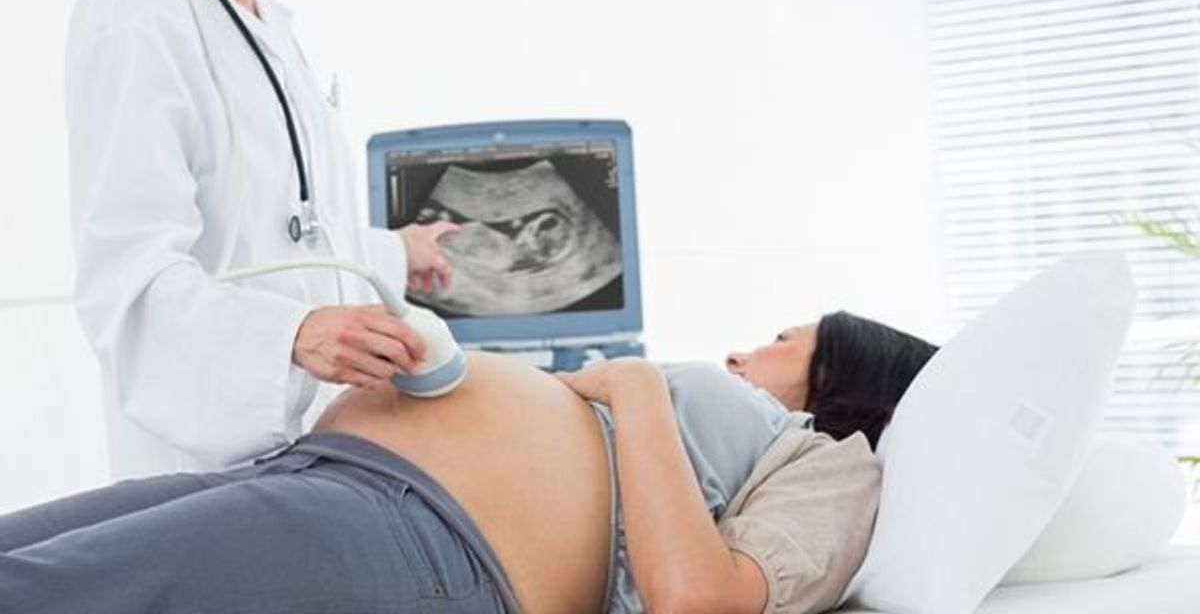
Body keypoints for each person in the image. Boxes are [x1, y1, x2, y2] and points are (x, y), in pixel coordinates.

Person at [0, 312, 939, 614]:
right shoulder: (725, 436)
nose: (745, 353)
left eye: (783, 341)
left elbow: (696, 600)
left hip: (428, 541)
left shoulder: (834, 466)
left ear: (838, 382)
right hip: (313, 477)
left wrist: (641, 391)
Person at [64, 0, 458, 479]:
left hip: (315, 453)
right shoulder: (135, 18)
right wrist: (292, 337)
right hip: (204, 474)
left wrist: (396, 253)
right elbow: (129, 288)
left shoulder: (250, 5)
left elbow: (279, 232)